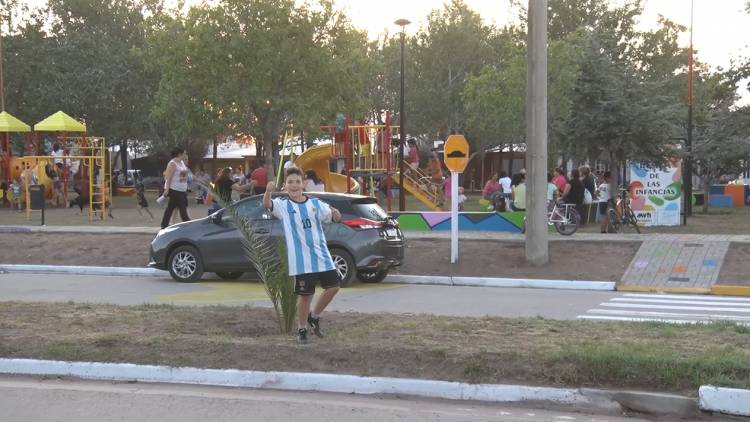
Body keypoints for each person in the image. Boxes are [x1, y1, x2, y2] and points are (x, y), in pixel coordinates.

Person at [263, 167, 343, 344]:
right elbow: (267, 205)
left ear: (303, 184)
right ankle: (301, 329)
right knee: (306, 296)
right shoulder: (283, 205)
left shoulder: (315, 204)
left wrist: (336, 213)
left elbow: (335, 216)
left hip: (321, 255)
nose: (294, 185)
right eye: (290, 182)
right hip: (301, 261)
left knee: (334, 287)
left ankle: (313, 317)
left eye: (297, 182)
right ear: (285, 185)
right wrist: (268, 191)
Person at [159, 147, 191, 229]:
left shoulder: (181, 163)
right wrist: (166, 190)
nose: (186, 155)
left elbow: (182, 175)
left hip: (182, 190)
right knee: (183, 210)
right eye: (185, 153)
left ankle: (164, 225)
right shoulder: (172, 163)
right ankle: (190, 227)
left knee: (170, 208)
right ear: (179, 154)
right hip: (175, 190)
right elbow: (168, 177)